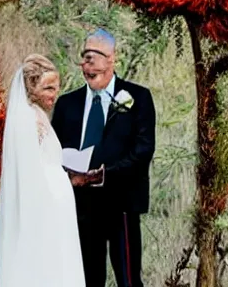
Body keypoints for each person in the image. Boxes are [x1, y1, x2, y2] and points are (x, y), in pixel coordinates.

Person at [52, 29, 156, 287]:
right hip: (81, 206)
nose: (89, 64)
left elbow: (143, 150)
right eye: (85, 57)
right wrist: (69, 176)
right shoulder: (67, 104)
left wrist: (104, 173)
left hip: (121, 202)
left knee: (128, 278)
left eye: (96, 56)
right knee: (87, 279)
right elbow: (53, 152)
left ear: (113, 58)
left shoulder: (137, 97)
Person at [0, 54, 86, 287]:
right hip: (47, 210)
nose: (53, 94)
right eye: (47, 88)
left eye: (56, 88)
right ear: (31, 87)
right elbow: (28, 172)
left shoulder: (37, 116)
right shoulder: (28, 120)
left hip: (57, 207)